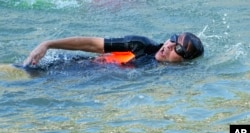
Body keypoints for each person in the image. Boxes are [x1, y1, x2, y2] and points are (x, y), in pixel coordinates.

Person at [23, 32, 204, 67]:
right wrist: (47, 44)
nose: (169, 46)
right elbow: (92, 44)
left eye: (178, 49)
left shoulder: (172, 77)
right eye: (173, 39)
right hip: (72, 68)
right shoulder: (139, 45)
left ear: (184, 61)